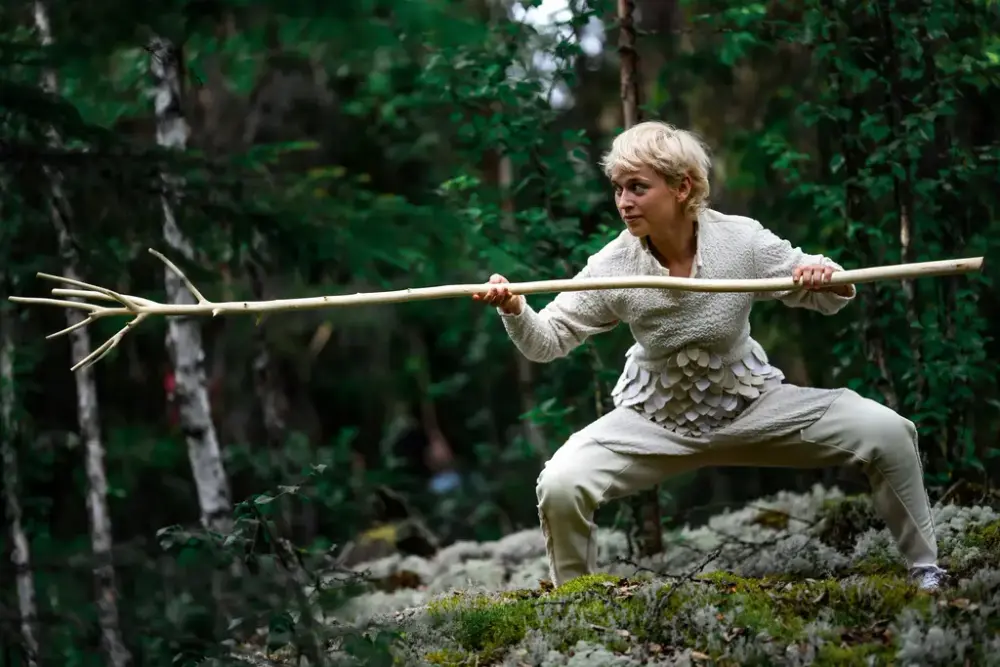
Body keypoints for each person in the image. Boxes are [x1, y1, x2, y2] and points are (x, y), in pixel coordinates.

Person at [472, 121, 946, 591]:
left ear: (682, 187)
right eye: (618, 189)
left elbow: (821, 289)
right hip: (655, 420)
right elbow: (547, 340)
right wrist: (514, 308)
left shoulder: (741, 241)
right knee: (560, 483)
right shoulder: (612, 266)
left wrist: (823, 275)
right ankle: (575, 601)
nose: (623, 202)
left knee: (889, 432)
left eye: (637, 187)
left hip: (752, 406)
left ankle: (926, 570)